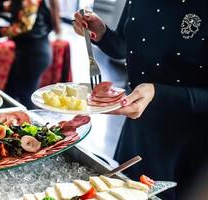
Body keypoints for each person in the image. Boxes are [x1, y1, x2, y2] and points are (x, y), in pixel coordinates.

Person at [73, 1, 208, 199]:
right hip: (139, 124)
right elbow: (125, 45)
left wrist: (157, 93)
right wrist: (102, 33)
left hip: (189, 141)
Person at [0, 0, 61, 109]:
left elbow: (24, 25)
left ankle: (34, 124)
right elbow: (20, 6)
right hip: (29, 52)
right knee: (10, 94)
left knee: (26, 99)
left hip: (34, 54)